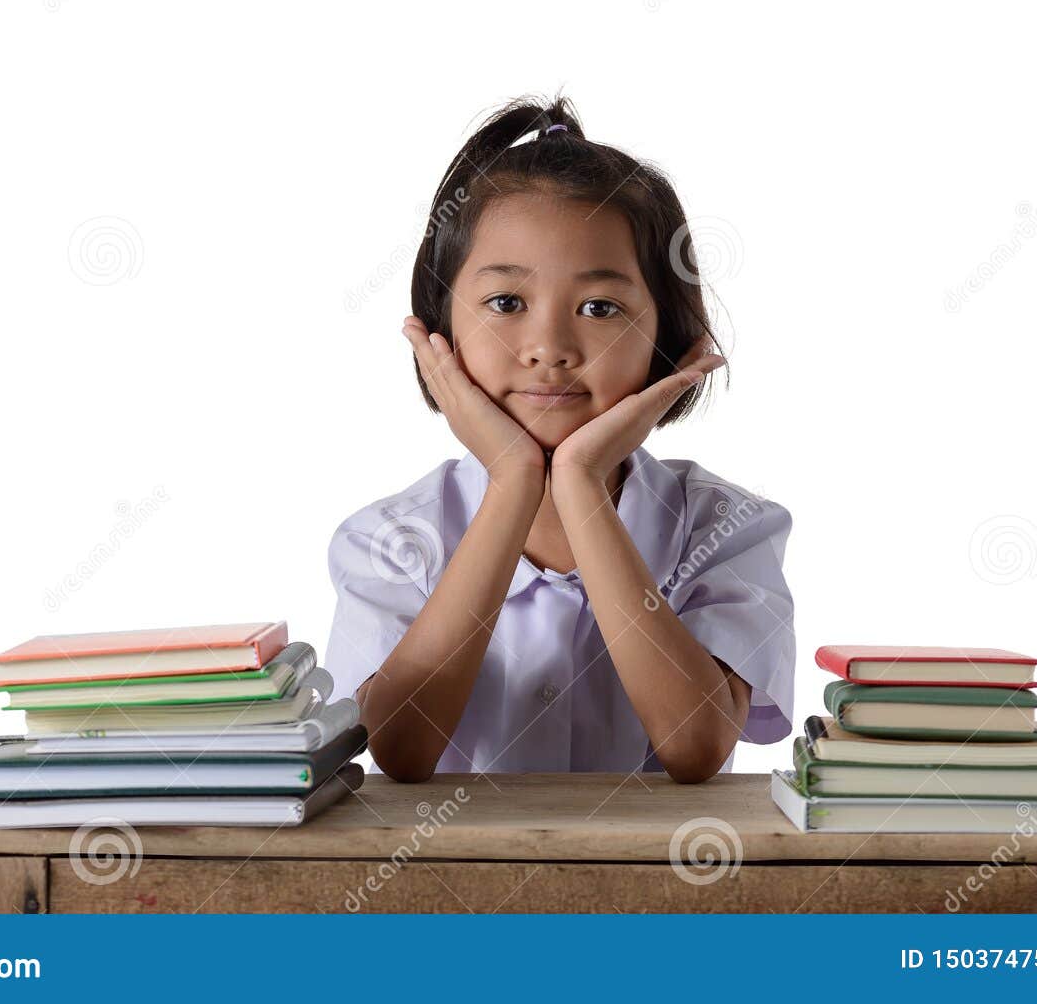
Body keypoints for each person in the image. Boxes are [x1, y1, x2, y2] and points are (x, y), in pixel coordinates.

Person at [324, 94, 794, 783]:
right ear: (439, 330)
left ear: (668, 337)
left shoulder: (726, 527)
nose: (549, 348)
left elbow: (695, 748)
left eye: (600, 308)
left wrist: (580, 486)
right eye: (505, 304)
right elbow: (401, 748)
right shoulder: (387, 539)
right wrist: (514, 482)